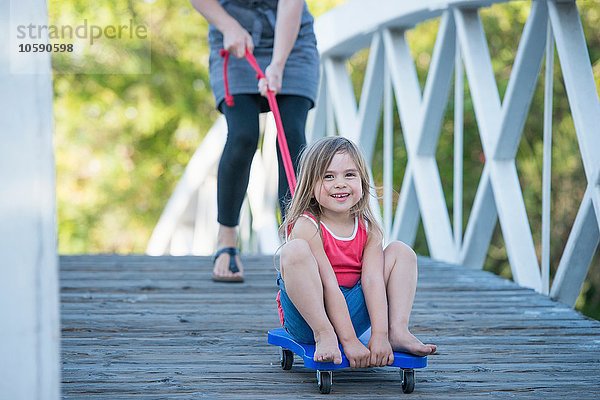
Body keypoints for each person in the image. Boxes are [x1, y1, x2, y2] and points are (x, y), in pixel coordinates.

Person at [276, 137, 437, 367]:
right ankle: (325, 335)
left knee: (401, 252)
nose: (340, 183)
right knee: (294, 251)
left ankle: (397, 331)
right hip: (309, 318)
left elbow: (372, 281)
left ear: (362, 183)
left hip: (352, 312)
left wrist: (379, 336)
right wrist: (349, 341)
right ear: (310, 188)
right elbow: (329, 284)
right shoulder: (307, 225)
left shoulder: (369, 229)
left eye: (349, 175)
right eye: (328, 176)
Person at [190, 0, 320, 282]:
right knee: (243, 135)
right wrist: (229, 26)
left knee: (292, 134)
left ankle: (296, 245)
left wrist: (278, 63)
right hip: (232, 36)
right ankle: (226, 241)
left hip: (292, 39)